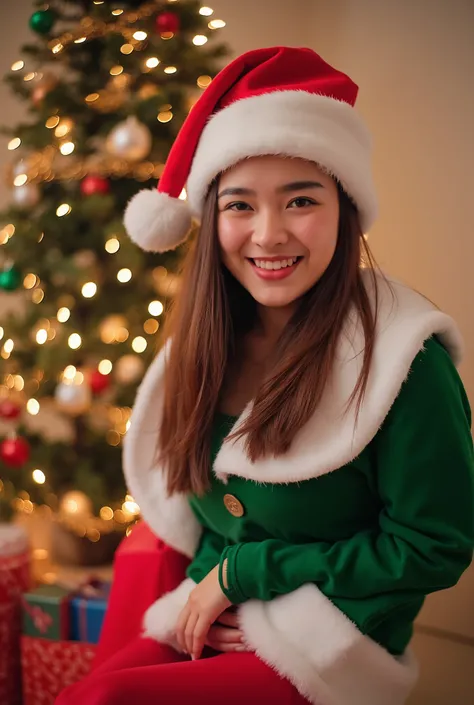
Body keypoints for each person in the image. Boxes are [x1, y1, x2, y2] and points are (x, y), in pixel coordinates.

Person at [56, 46, 474, 705]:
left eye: (300, 200)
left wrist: (252, 571)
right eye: (240, 205)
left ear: (346, 207)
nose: (269, 234)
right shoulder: (204, 346)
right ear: (211, 218)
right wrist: (217, 586)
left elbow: (433, 546)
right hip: (216, 616)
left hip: (335, 644)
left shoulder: (404, 359)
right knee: (88, 692)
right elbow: (215, 525)